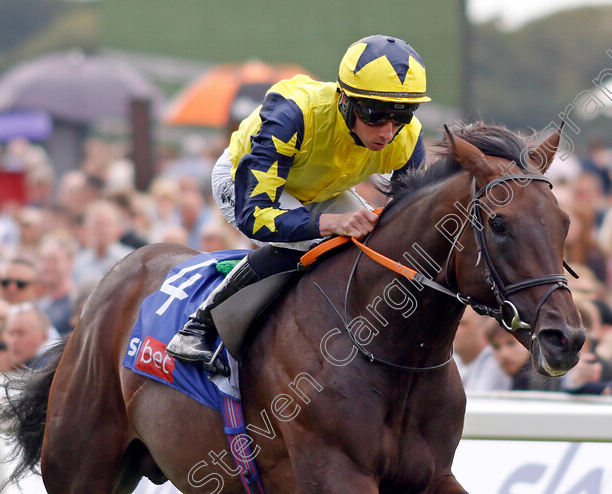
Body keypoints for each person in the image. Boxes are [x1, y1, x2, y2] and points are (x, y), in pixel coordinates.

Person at [167, 35, 431, 371]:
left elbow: (409, 221)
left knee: (378, 245)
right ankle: (198, 326)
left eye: (402, 115)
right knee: (315, 244)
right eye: (376, 115)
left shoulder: (408, 137)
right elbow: (256, 217)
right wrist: (331, 223)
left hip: (321, 190)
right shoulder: (291, 114)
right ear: (345, 100)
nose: (387, 132)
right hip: (246, 185)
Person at [453, 307, 511, 392]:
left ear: (482, 329)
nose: (454, 329)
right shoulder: (450, 360)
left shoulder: (498, 363)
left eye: (462, 324)